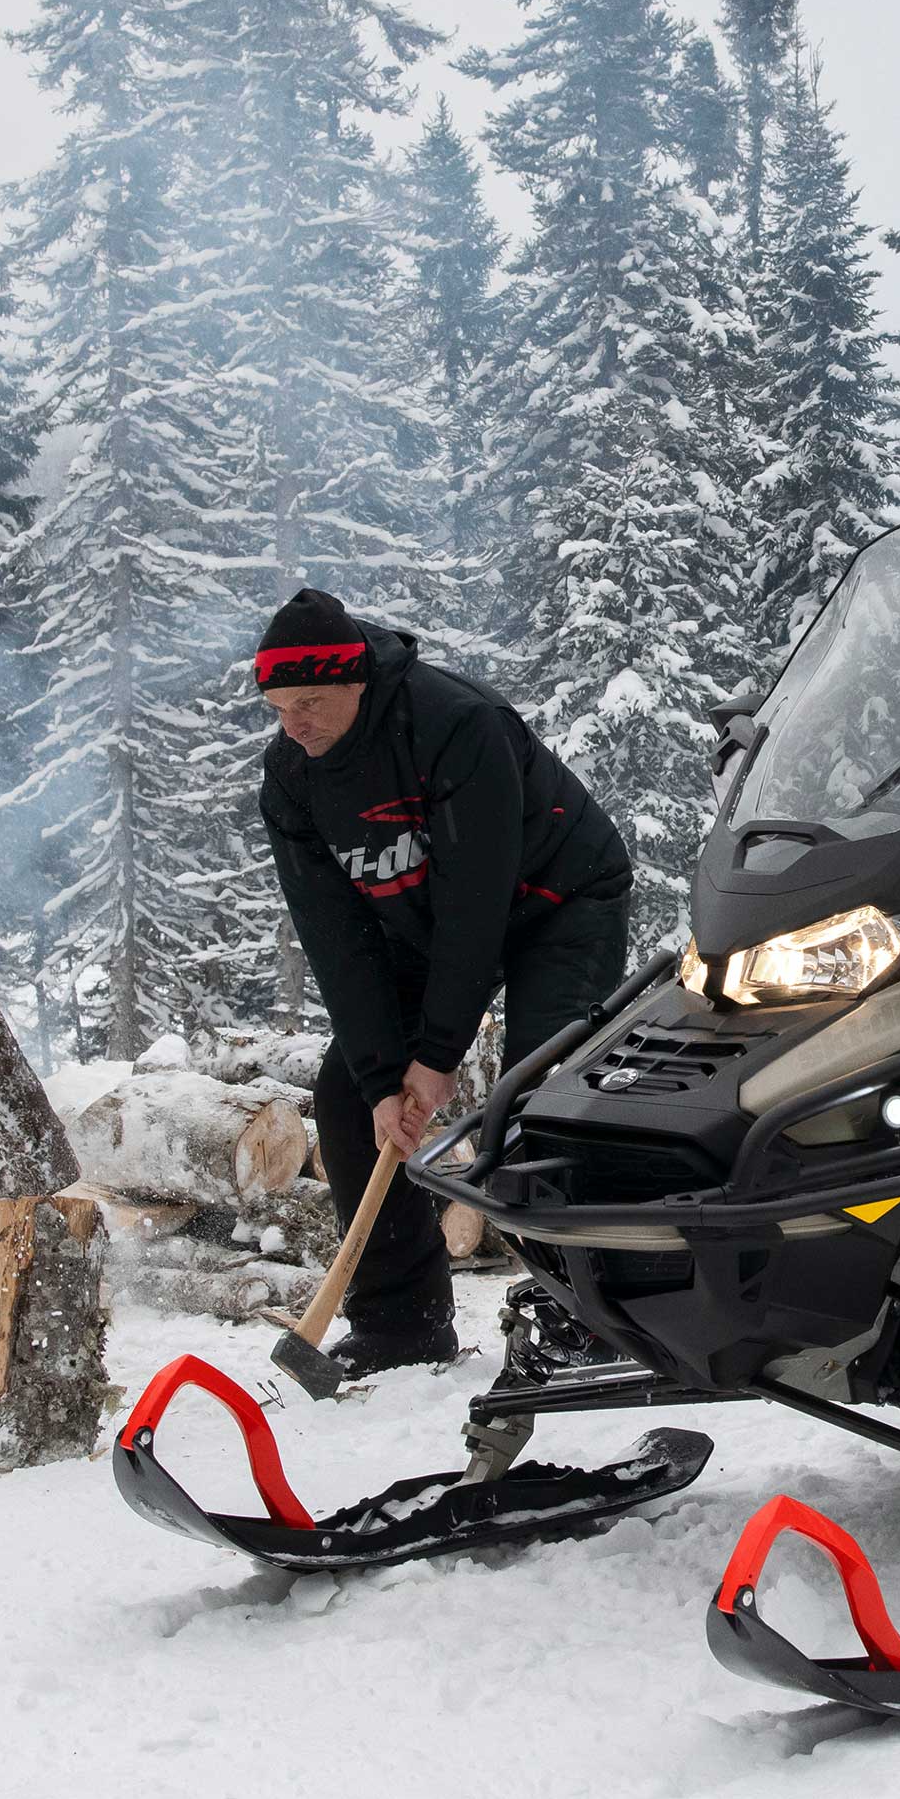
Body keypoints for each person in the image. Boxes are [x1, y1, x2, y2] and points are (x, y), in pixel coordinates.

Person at [253, 588, 632, 1375]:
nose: (296, 724)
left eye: (311, 702)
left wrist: (435, 1056)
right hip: (419, 924)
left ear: (356, 680)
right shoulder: (292, 776)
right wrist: (383, 1074)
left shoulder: (456, 724)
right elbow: (337, 941)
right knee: (350, 1096)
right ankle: (402, 1325)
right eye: (281, 706)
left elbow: (477, 905)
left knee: (543, 1095)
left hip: (556, 899)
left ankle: (595, 1315)